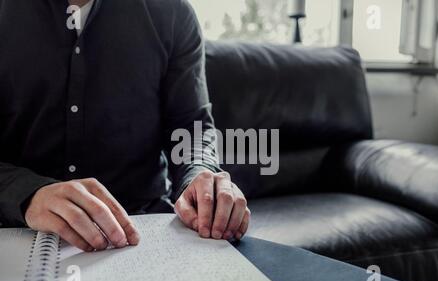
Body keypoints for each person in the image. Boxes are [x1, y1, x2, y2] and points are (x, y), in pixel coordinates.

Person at [0, 0, 250, 252]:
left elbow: (190, 129)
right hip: (17, 229)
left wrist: (199, 175)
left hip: (142, 229)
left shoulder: (172, 12)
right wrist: (28, 194)